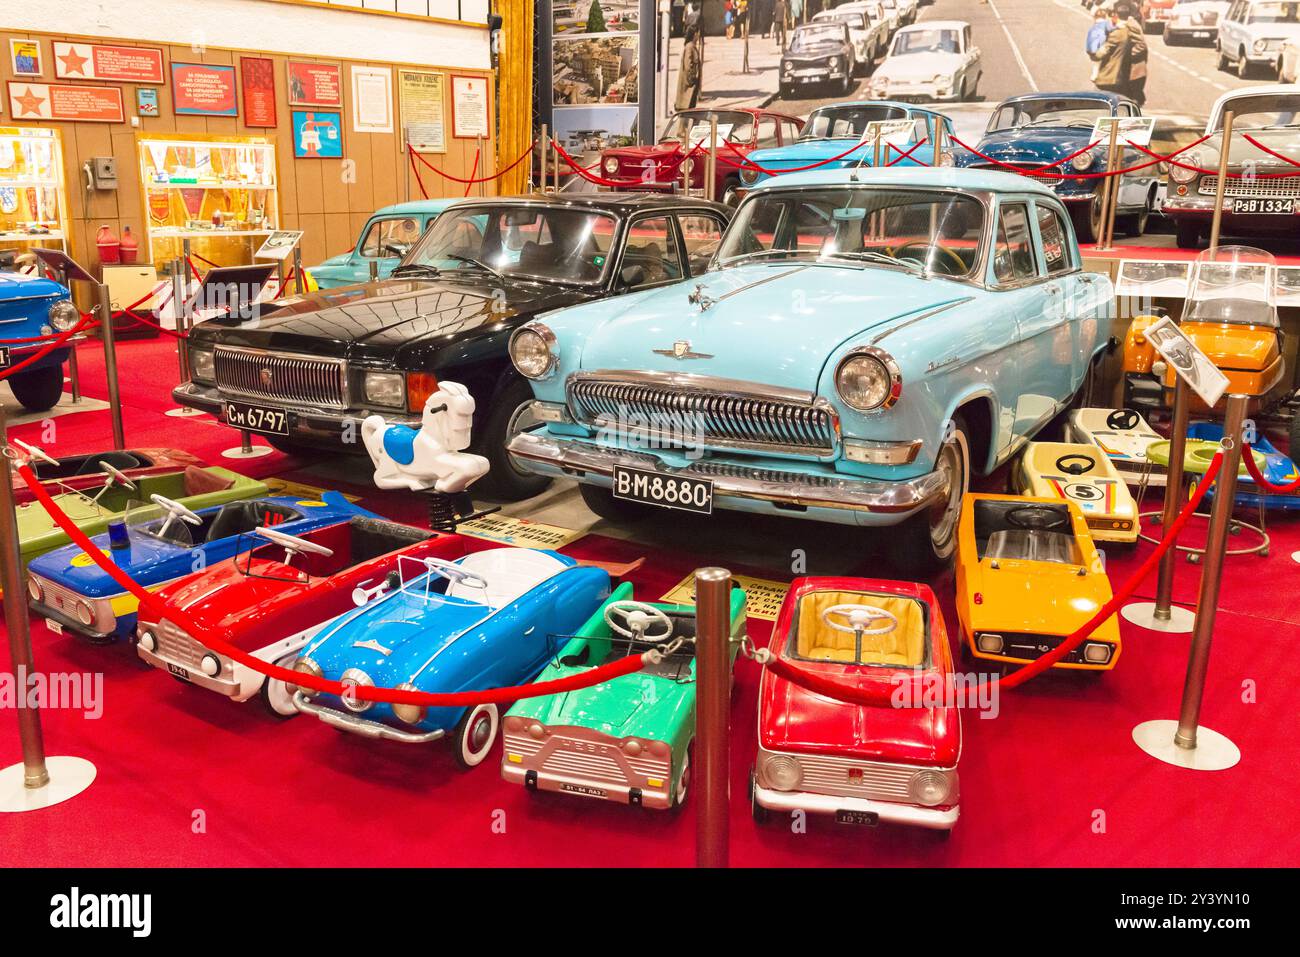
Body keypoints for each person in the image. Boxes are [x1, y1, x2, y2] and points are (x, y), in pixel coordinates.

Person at [1091, 2, 1147, 106]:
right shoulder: (1121, 24)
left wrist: (1128, 55)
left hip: (1127, 71)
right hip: (1122, 72)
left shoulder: (1128, 26)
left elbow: (1141, 45)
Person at [675, 23, 703, 111]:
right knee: (686, 112)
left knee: (690, 109)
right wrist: (692, 80)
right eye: (698, 33)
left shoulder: (692, 46)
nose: (699, 36)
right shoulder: (689, 47)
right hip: (688, 87)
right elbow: (688, 66)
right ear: (695, 34)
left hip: (691, 87)